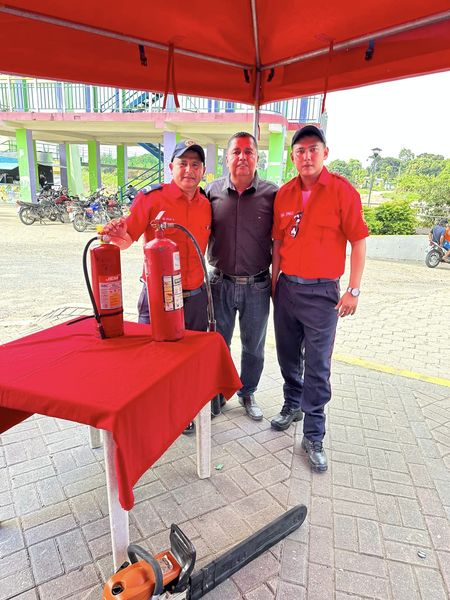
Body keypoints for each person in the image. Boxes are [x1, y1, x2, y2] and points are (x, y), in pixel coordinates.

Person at [271, 125, 369, 473]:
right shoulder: (284, 194)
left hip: (323, 293)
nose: (307, 156)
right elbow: (278, 243)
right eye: (300, 151)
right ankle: (292, 403)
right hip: (287, 288)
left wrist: (353, 289)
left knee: (317, 365)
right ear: (293, 157)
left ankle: (313, 434)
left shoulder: (342, 191)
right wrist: (275, 283)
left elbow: (358, 240)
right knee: (286, 354)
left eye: (313, 149)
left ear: (325, 153)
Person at [102, 139, 211, 332]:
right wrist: (116, 236)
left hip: (196, 299)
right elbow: (126, 240)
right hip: (158, 297)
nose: (189, 170)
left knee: (195, 349)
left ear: (203, 171)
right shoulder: (151, 198)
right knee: (154, 350)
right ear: (171, 167)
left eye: (195, 165)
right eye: (183, 163)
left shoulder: (206, 205)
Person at [206, 132, 278, 421]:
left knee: (254, 346)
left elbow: (281, 240)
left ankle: (247, 392)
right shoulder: (211, 192)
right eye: (236, 152)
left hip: (257, 285)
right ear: (227, 158)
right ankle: (218, 393)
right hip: (219, 283)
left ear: (257, 158)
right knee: (218, 345)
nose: (242, 157)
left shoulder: (272, 194)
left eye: (249, 152)